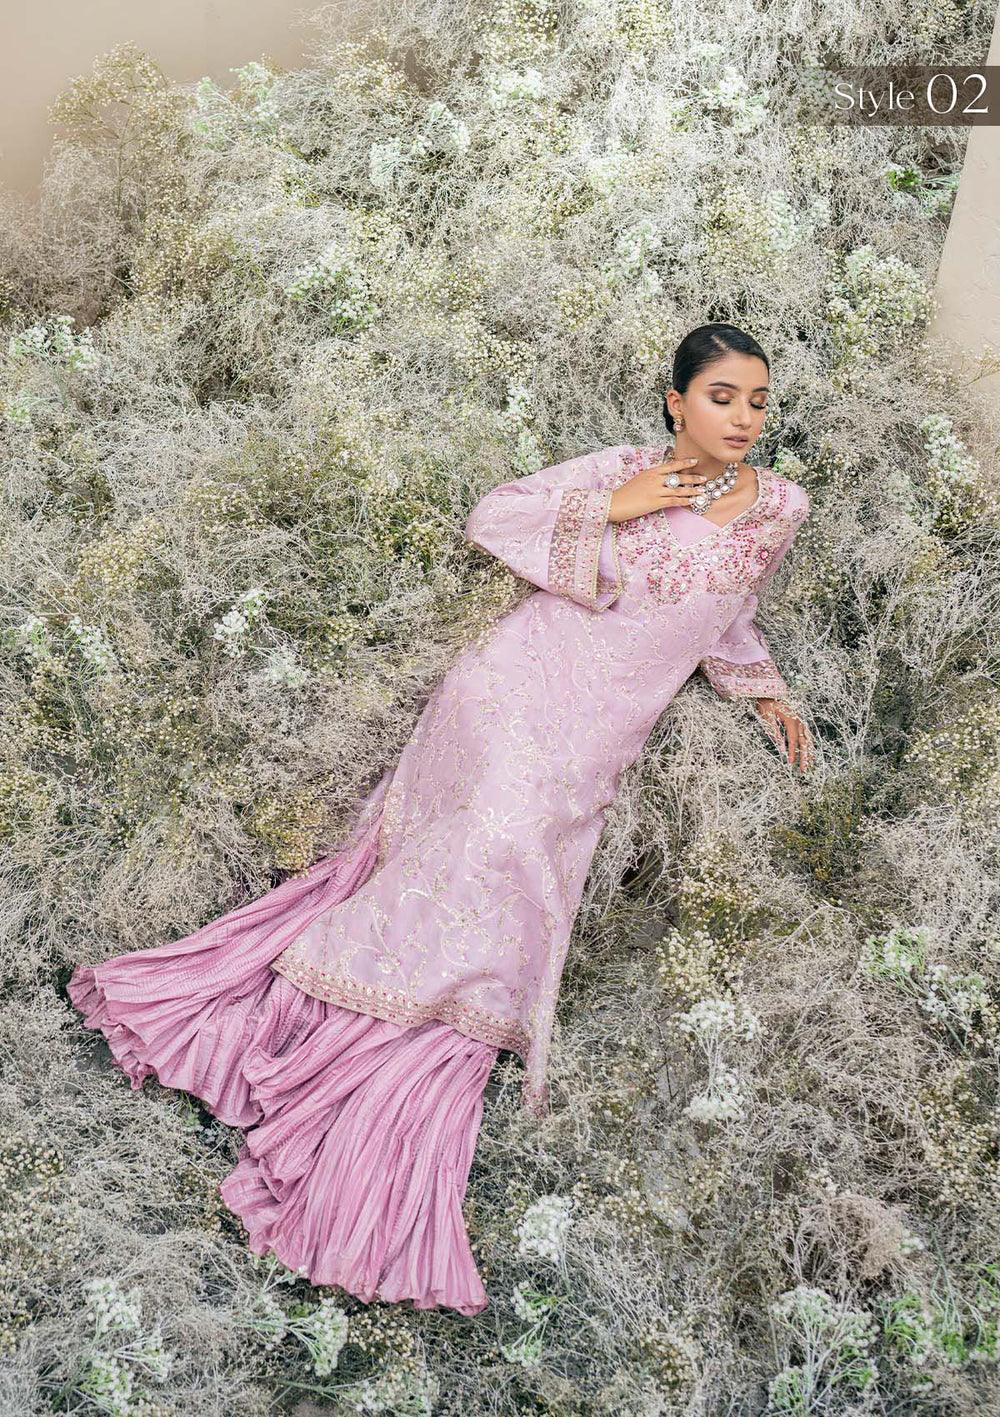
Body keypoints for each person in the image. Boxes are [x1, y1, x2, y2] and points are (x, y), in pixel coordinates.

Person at [67, 322, 812, 1318]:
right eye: (722, 396)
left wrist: (762, 689)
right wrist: (618, 504)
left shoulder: (782, 506)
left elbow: (726, 604)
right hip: (515, 687)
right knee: (489, 835)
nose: (744, 417)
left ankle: (393, 1052)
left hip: (597, 730)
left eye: (757, 400)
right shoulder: (622, 468)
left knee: (519, 858)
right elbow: (495, 514)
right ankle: (327, 1023)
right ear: (677, 401)